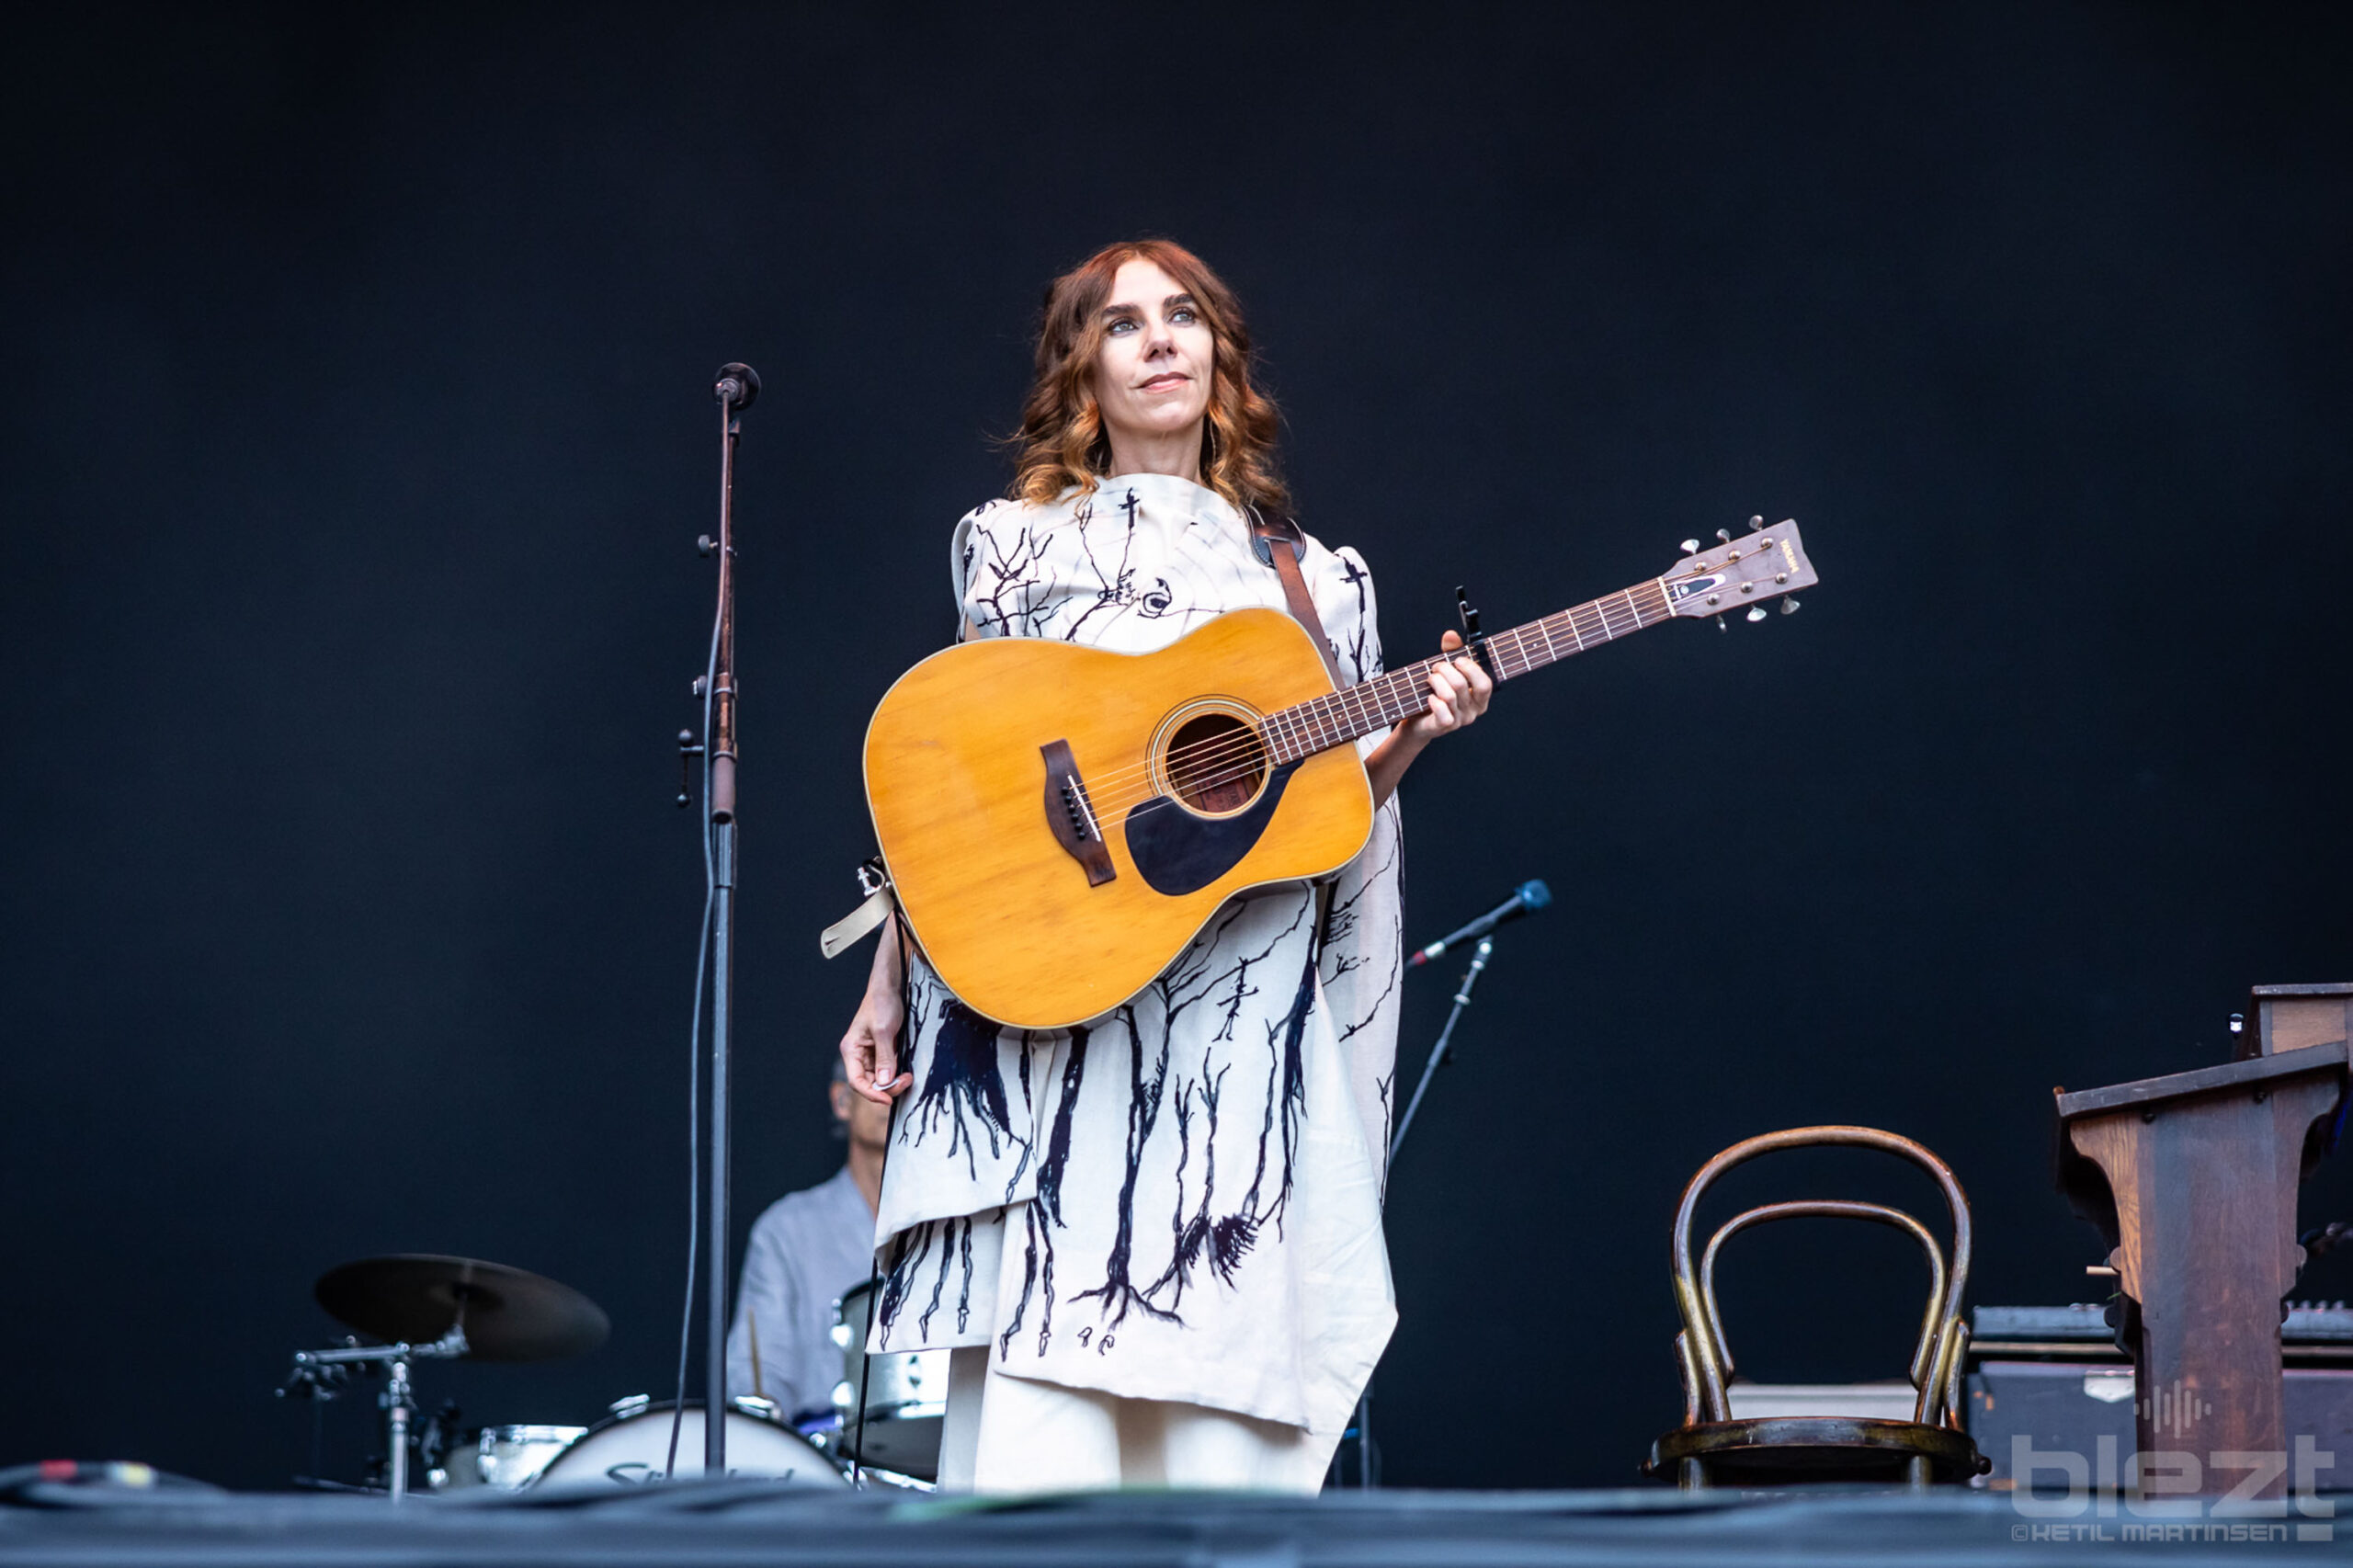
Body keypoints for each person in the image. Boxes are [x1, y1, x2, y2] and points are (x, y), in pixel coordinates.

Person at [837, 239, 1491, 1493]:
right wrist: (887, 980)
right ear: (1082, 373)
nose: (1159, 340)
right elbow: (956, 800)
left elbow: (1319, 817)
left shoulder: (1313, 584)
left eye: (1183, 316)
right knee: (1052, 1457)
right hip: (1065, 1038)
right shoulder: (1014, 550)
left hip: (1236, 1059)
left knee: (1216, 1459)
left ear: (1220, 359)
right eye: (1124, 324)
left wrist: (1410, 725)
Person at [724, 1060, 891, 1422]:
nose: (891, 1093)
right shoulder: (786, 1229)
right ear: (842, 1100)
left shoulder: (964, 1226)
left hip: (947, 1459)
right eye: (878, 1076)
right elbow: (757, 1377)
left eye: (906, 1079)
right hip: (826, 1462)